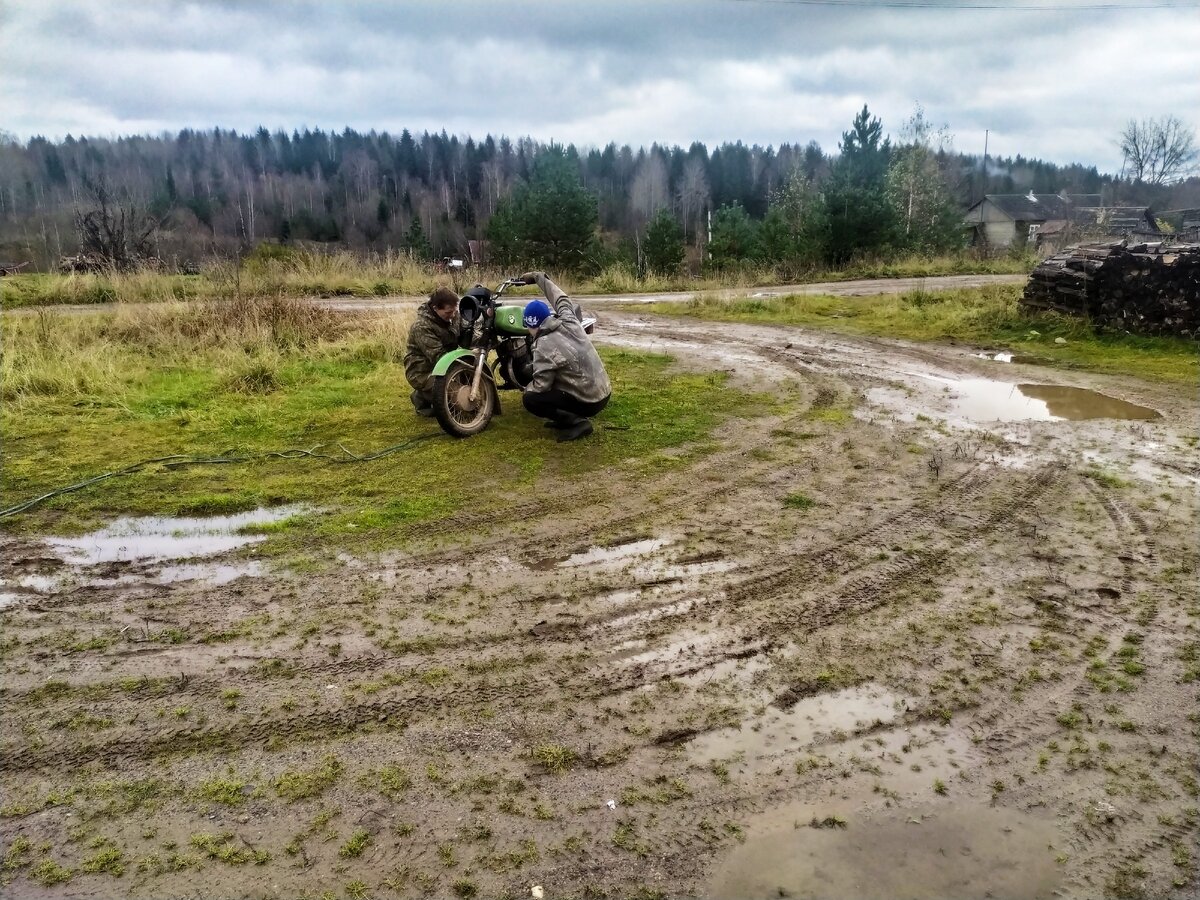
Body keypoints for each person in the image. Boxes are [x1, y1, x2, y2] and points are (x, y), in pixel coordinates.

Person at [519, 271, 611, 442]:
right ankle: (565, 417)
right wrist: (538, 277)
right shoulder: (569, 319)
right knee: (559, 377)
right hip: (604, 392)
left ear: (530, 324)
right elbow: (560, 299)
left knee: (530, 399)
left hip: (589, 401)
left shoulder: (543, 345)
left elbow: (541, 386)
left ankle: (577, 422)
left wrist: (525, 386)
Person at [404, 286, 461, 416]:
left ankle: (429, 394)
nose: (452, 315)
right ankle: (422, 396)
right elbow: (439, 356)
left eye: (454, 311)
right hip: (422, 371)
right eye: (448, 313)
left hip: (444, 364)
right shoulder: (421, 327)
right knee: (459, 400)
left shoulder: (452, 316)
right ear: (435, 308)